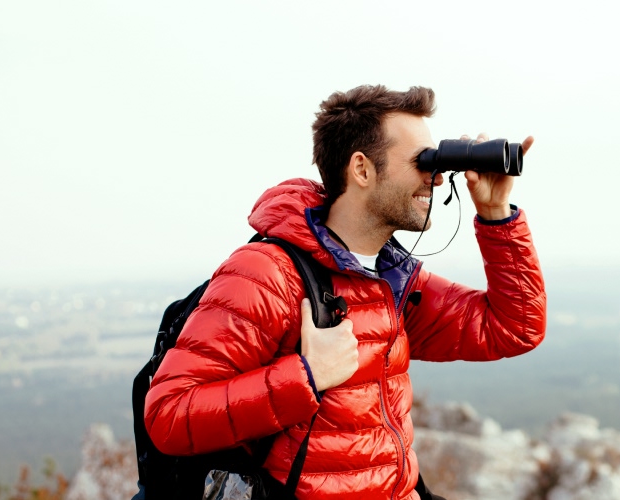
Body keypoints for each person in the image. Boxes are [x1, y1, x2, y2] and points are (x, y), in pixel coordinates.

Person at [143, 85, 547, 499]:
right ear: (362, 170)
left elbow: (513, 328)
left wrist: (497, 215)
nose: (438, 176)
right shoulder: (267, 273)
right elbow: (169, 415)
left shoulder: (392, 280)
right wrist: (306, 376)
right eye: (422, 161)